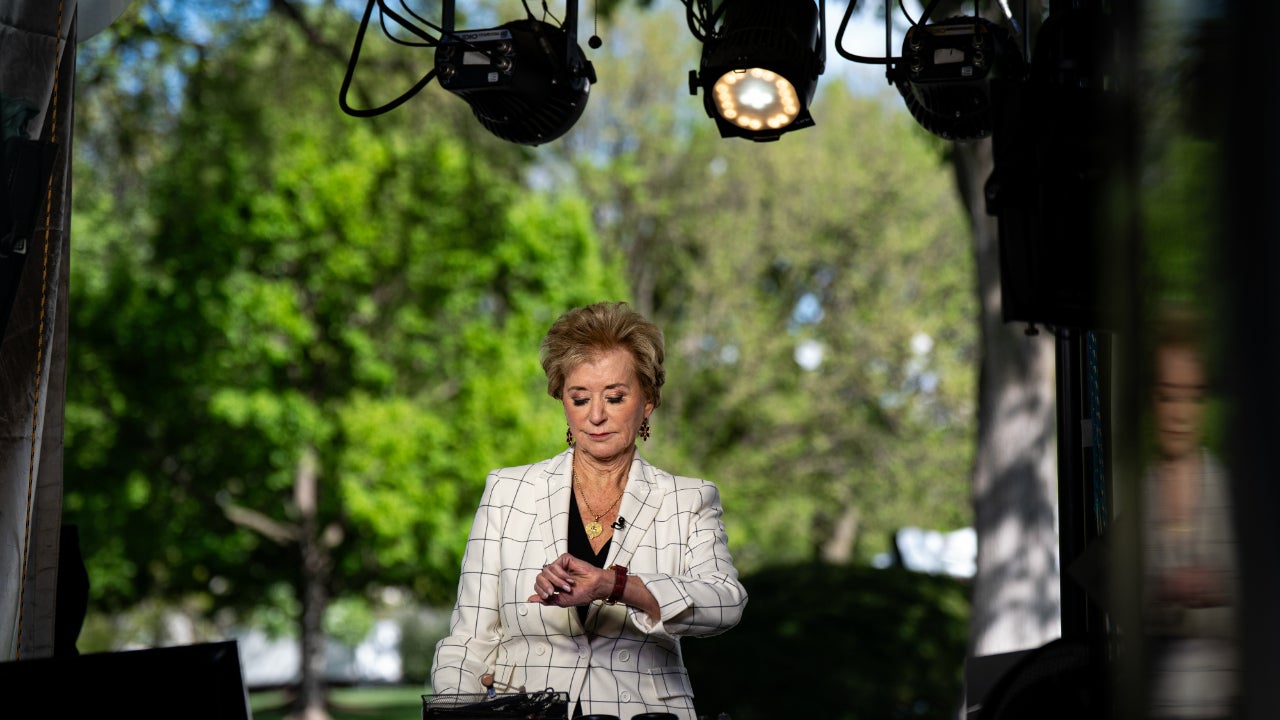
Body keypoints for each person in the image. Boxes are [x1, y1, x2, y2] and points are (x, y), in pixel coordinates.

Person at [431, 301, 747, 720]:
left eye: (615, 397)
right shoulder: (507, 492)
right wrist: (452, 712)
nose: (596, 416)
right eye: (579, 399)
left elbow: (726, 602)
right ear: (562, 400)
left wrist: (616, 586)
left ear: (648, 400)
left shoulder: (688, 499)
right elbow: (470, 638)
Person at [1142, 305, 1238, 719]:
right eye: (1167, 395)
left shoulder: (1225, 490)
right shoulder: (1140, 491)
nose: (1179, 413)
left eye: (1191, 396)